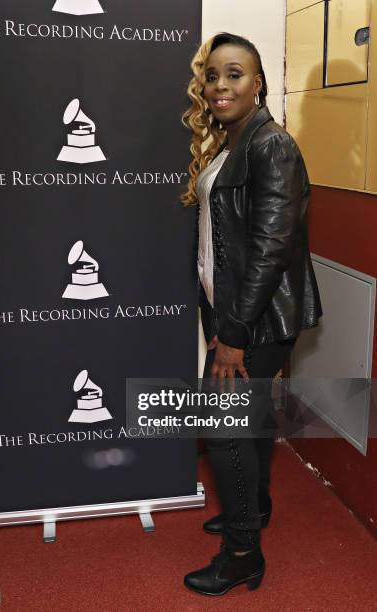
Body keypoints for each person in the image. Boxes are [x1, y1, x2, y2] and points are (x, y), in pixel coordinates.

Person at [180, 32, 323, 596]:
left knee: (222, 427)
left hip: (255, 320)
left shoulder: (272, 146)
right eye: (212, 75)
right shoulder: (233, 142)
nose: (220, 86)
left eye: (234, 74)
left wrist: (232, 334)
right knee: (251, 416)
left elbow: (270, 247)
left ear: (258, 82)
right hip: (235, 313)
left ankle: (242, 552)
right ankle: (254, 507)